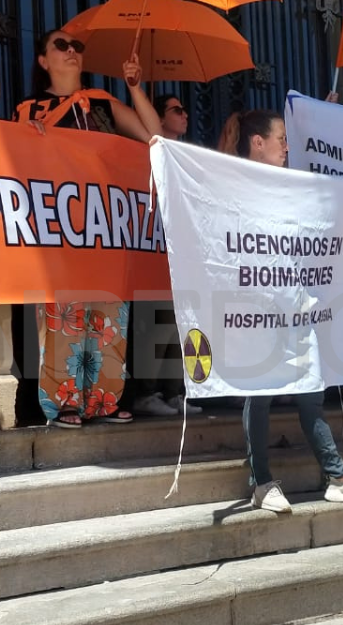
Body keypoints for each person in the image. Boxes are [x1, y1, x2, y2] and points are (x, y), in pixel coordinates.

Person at [217, 109, 343, 512]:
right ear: (257, 142)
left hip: (296, 307)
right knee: (258, 393)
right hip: (257, 310)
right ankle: (261, 482)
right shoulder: (234, 182)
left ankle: (337, 477)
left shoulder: (291, 185)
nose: (287, 147)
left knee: (311, 389)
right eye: (280, 139)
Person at [14, 29, 162, 429]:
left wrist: (134, 88)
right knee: (64, 315)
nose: (72, 51)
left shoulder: (101, 103)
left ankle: (105, 401)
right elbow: (13, 162)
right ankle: (64, 404)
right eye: (61, 46)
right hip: (60, 228)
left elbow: (155, 137)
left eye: (77, 46)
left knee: (109, 315)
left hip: (106, 225)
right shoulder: (28, 110)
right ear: (43, 61)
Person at [134, 95, 201, 417]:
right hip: (152, 248)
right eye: (177, 109)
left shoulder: (186, 155)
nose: (185, 114)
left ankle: (174, 392)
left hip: (180, 250)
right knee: (156, 324)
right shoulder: (144, 152)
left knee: (179, 323)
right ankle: (146, 393)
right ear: (159, 118)